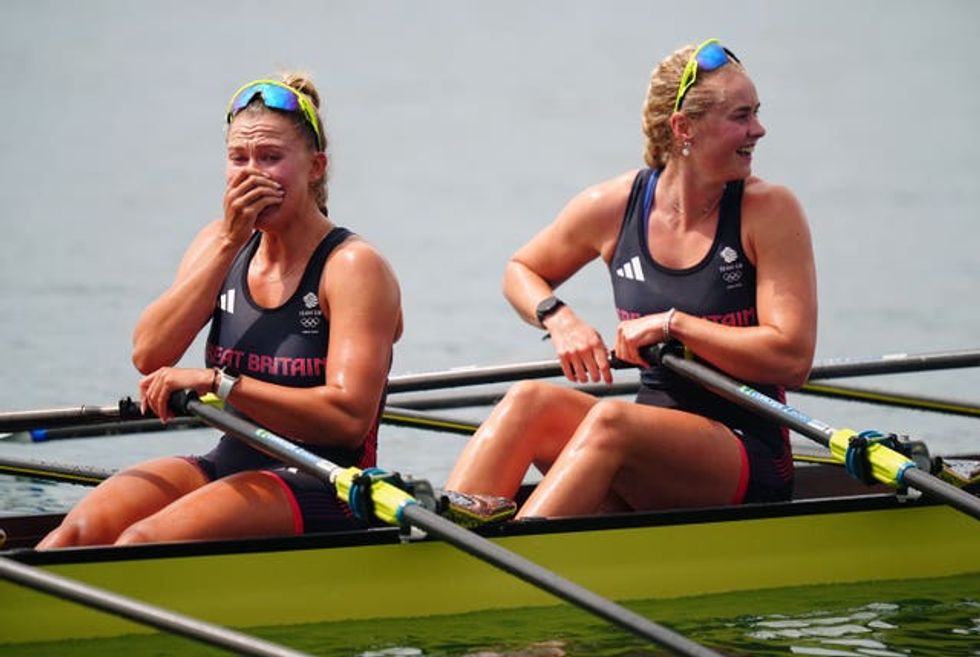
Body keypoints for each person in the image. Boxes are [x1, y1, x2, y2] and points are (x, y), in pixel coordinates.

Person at [445, 39, 817, 519]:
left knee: (611, 419)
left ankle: (505, 563)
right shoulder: (614, 207)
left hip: (746, 452)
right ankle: (440, 547)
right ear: (684, 129)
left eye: (756, 113)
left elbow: (793, 357)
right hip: (647, 446)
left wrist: (674, 325)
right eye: (741, 117)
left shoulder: (767, 210)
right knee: (528, 400)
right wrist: (559, 319)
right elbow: (521, 270)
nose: (759, 130)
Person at [38, 73, 403, 547]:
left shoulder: (353, 267)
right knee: (75, 535)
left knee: (140, 542)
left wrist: (217, 383)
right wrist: (231, 241)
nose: (252, 174)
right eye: (239, 159)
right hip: (231, 458)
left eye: (270, 159)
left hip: (325, 480)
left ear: (315, 167)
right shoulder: (219, 242)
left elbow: (348, 418)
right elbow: (149, 353)